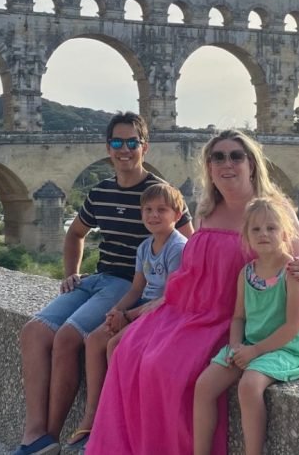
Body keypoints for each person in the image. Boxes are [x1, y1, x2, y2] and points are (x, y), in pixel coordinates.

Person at [86, 129, 299, 455]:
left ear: (251, 163)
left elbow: (298, 270)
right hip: (186, 310)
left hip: (228, 320)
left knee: (163, 367)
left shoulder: (273, 212)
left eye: (236, 156)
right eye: (217, 157)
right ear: (208, 167)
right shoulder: (206, 211)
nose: (227, 163)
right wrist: (144, 310)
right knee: (123, 349)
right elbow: (191, 275)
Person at [12, 113, 193, 455]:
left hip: (128, 284)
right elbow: (76, 233)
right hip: (98, 278)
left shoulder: (159, 195)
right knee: (33, 332)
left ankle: (49, 440)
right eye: (116, 142)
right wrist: (71, 271)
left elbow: (190, 248)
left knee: (67, 337)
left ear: (144, 146)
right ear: (107, 148)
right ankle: (34, 433)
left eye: (131, 142)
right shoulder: (101, 192)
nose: (124, 150)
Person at [64, 183, 189, 451]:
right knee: (95, 339)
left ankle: (119, 415)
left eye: (161, 210)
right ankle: (93, 416)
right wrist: (117, 311)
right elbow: (136, 288)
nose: (154, 216)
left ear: (177, 215)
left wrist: (129, 315)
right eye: (148, 210)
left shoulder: (178, 248)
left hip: (167, 310)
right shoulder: (145, 247)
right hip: (145, 305)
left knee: (115, 344)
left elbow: (172, 297)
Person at [193, 197, 299, 455]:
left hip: (286, 348)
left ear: (285, 232)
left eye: (271, 228)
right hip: (251, 345)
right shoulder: (247, 273)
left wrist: (254, 351)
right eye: (256, 229)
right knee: (204, 385)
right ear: (246, 236)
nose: (263, 234)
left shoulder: (292, 273)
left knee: (249, 385)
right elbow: (239, 317)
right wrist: (236, 345)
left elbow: (293, 326)